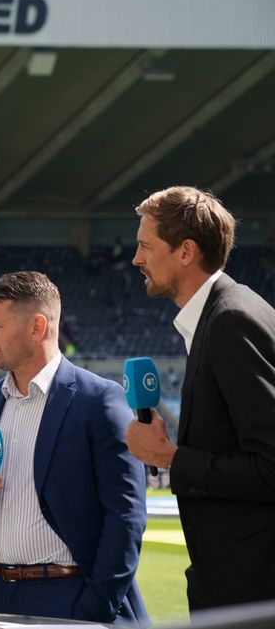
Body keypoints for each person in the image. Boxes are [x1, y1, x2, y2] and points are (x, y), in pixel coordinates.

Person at [0, 271, 148, 626]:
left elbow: (126, 515)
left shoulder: (99, 399)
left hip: (70, 596)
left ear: (37, 326)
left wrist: (96, 607)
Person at [126, 186, 275, 610]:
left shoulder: (232, 320)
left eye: (145, 246)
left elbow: (271, 467)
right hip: (233, 578)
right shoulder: (224, 313)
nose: (137, 259)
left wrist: (169, 457)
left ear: (186, 251)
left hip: (251, 587)